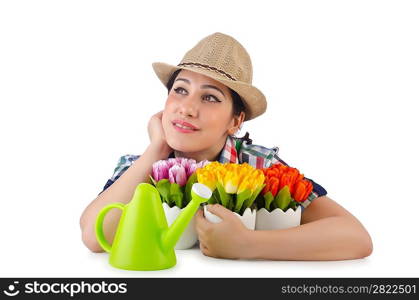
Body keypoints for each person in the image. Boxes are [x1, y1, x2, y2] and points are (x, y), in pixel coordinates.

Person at [79, 32, 373, 260]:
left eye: (209, 97)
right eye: (180, 90)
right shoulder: (139, 166)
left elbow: (355, 237)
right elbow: (95, 238)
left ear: (236, 121)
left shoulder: (259, 167)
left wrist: (248, 245)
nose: (187, 109)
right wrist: (156, 150)